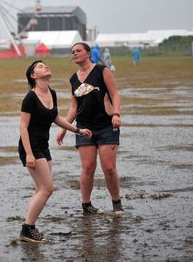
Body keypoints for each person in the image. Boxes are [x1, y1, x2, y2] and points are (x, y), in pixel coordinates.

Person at [18, 60, 92, 243]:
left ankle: (29, 224)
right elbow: (22, 126)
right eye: (40, 66)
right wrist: (28, 153)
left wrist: (77, 130)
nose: (46, 67)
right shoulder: (30, 97)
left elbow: (55, 118)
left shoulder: (52, 93)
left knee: (40, 189)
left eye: (45, 65)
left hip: (43, 146)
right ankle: (28, 229)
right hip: (31, 147)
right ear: (33, 76)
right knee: (47, 188)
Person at [56, 42, 124, 216]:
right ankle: (86, 205)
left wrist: (116, 114)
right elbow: (74, 106)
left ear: (88, 53)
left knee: (109, 167)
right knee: (88, 167)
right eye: (72, 52)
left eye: (78, 50)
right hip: (84, 127)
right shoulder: (73, 79)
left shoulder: (102, 70)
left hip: (106, 125)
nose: (75, 54)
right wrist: (65, 127)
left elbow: (115, 94)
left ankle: (116, 203)